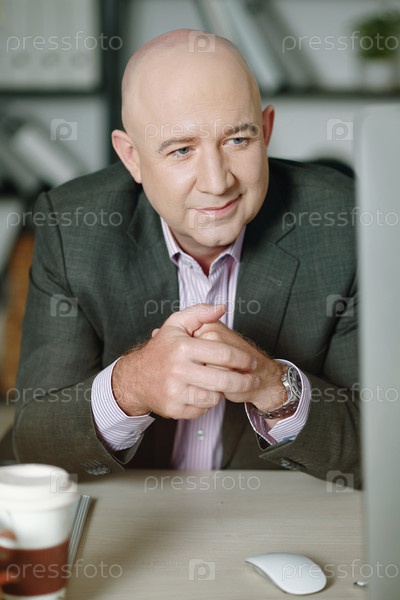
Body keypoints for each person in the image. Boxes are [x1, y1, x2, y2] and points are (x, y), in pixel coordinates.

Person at [13, 29, 359, 485]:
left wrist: (274, 387)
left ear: (267, 130)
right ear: (132, 157)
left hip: (278, 510)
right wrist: (130, 386)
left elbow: (381, 442)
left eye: (238, 140)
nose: (217, 182)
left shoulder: (347, 222)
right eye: (181, 150)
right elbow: (33, 444)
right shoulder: (71, 227)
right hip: (132, 512)